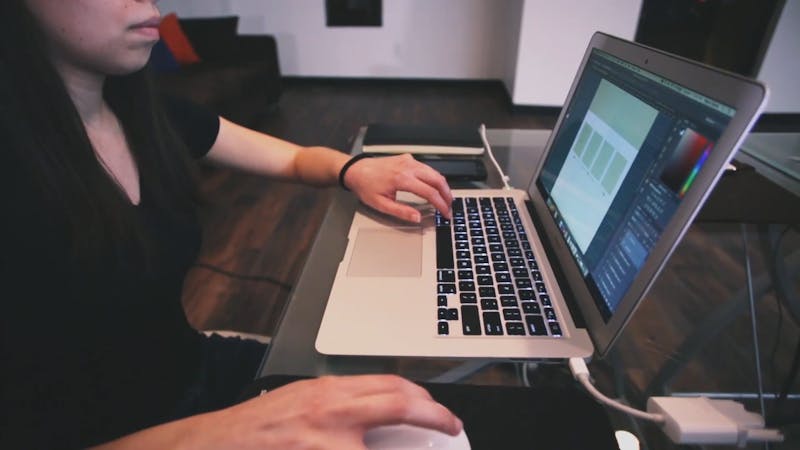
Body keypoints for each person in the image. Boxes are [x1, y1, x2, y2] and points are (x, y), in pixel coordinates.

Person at [0, 0, 461, 448]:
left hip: (194, 373)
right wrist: (222, 432)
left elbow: (297, 159)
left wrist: (352, 169)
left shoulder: (149, 114)